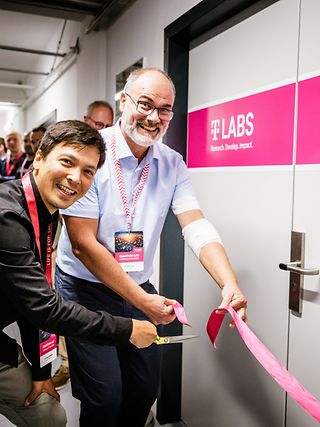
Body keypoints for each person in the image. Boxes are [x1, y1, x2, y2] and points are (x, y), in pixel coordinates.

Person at [55, 68, 247, 427]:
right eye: (145, 104)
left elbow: (196, 225)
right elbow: (82, 244)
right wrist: (143, 302)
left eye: (165, 109)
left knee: (144, 390)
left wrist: (229, 282)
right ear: (123, 101)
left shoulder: (171, 163)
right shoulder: (89, 154)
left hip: (137, 287)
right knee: (104, 395)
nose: (154, 117)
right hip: (85, 289)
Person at [0, 120, 157, 427]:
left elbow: (31, 303)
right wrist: (128, 329)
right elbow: (45, 308)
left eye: (88, 171)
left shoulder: (46, 211)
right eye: (67, 162)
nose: (76, 178)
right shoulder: (8, 216)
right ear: (40, 158)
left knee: (48, 414)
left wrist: (41, 373)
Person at [52, 102, 114, 390]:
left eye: (106, 127)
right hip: (75, 271)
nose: (102, 133)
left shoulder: (101, 169)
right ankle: (64, 363)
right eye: (97, 125)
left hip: (106, 275)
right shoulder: (73, 178)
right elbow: (80, 243)